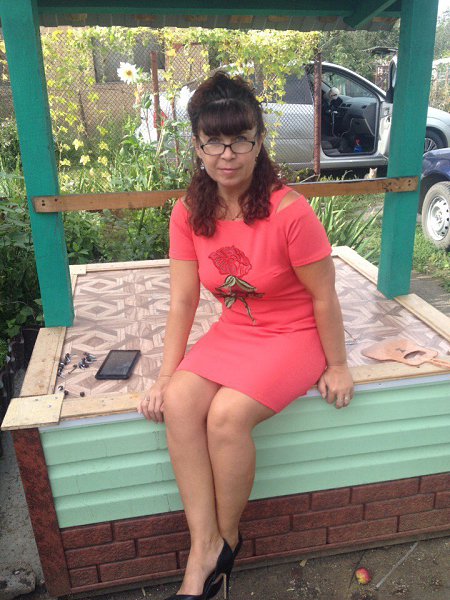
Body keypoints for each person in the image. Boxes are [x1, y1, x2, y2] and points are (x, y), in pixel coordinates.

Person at [138, 71, 354, 600]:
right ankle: (203, 546)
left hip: (294, 334)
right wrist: (165, 376)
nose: (227, 154)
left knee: (226, 416)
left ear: (259, 142)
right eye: (214, 140)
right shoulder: (189, 212)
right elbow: (184, 300)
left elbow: (324, 297)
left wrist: (338, 364)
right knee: (181, 401)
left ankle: (228, 537)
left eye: (240, 139)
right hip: (237, 330)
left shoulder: (290, 212)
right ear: (197, 145)